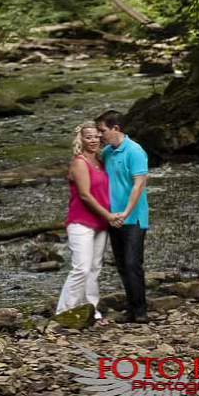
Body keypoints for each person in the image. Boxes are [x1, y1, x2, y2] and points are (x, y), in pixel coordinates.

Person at [56, 122, 114, 325]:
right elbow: (85, 195)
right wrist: (109, 215)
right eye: (88, 137)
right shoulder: (79, 162)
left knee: (94, 268)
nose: (93, 140)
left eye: (96, 136)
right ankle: (64, 313)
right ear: (81, 140)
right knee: (81, 268)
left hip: (100, 223)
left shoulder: (101, 161)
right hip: (81, 222)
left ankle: (92, 312)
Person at [95, 110, 150, 324]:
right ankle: (131, 309)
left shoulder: (135, 151)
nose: (100, 135)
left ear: (116, 128)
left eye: (102, 131)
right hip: (113, 217)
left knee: (132, 263)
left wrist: (126, 213)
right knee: (120, 264)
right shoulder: (108, 152)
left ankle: (141, 311)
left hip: (133, 217)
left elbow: (139, 185)